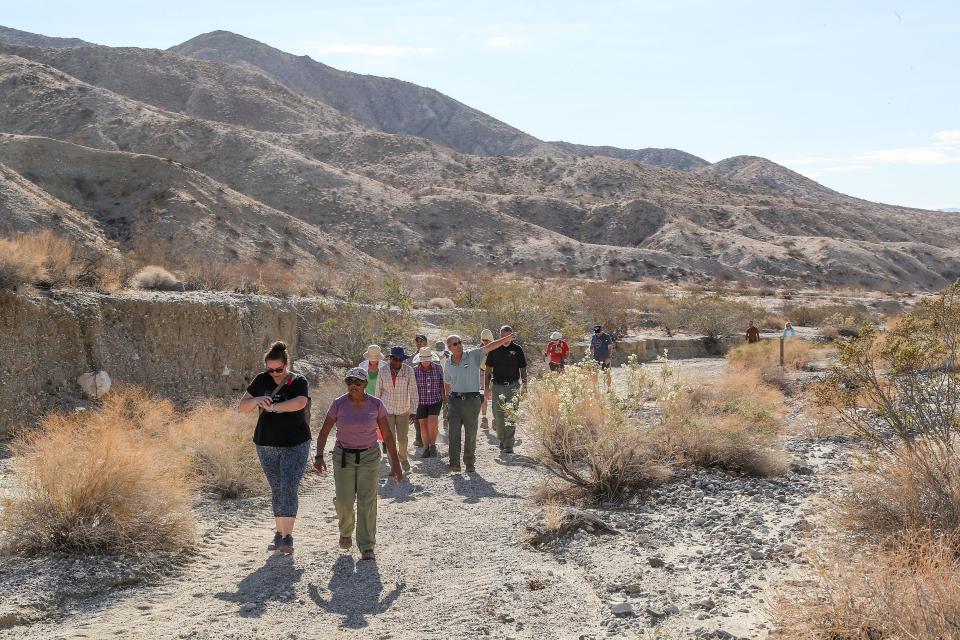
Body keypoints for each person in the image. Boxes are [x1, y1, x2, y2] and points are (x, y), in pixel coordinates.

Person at [314, 367, 402, 561]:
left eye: (357, 382)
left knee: (367, 501)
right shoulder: (338, 404)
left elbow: (387, 435)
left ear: (365, 385)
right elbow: (324, 431)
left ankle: (367, 545)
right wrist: (319, 456)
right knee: (344, 500)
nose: (353, 385)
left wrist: (396, 464)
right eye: (349, 382)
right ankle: (345, 531)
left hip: (369, 456)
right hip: (343, 456)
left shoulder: (376, 404)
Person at [238, 341, 311, 555]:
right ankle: (279, 534)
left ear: (287, 365)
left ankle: (287, 536)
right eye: (270, 370)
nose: (275, 373)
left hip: (295, 443)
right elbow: (243, 407)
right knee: (277, 487)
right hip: (266, 442)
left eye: (279, 369)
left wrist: (275, 408)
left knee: (288, 485)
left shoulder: (298, 381)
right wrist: (259, 399)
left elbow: (300, 402)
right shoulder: (261, 380)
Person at [444, 330, 517, 473]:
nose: (459, 346)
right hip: (454, 401)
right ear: (449, 348)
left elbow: (490, 347)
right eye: (455, 344)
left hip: (472, 400)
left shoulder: (473, 355)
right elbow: (447, 382)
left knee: (471, 434)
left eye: (460, 343)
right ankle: (454, 464)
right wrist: (447, 400)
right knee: (453, 434)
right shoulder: (448, 363)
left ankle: (469, 464)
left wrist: (506, 338)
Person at [374, 346, 419, 473]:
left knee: (402, 439)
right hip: (386, 410)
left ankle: (403, 457)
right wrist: (377, 412)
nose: (398, 362)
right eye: (396, 359)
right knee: (390, 439)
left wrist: (414, 410)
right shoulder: (382, 371)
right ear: (391, 359)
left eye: (401, 360)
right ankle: (394, 465)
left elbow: (413, 391)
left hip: (403, 410)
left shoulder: (408, 371)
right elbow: (378, 392)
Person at [484, 325, 528, 454]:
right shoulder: (494, 348)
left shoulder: (517, 349)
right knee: (498, 415)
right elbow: (488, 370)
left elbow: (523, 369)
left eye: (508, 336)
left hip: (513, 386)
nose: (506, 339)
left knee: (511, 414)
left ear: (512, 336)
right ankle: (502, 439)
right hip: (497, 386)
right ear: (500, 336)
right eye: (503, 336)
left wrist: (525, 386)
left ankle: (509, 444)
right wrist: (486, 388)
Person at [412, 346, 445, 458]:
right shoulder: (414, 370)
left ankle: (433, 444)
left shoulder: (438, 368)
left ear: (431, 358)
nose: (425, 361)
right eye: (423, 359)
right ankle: (426, 448)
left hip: (435, 399)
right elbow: (412, 388)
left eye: (427, 358)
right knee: (423, 424)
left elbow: (443, 383)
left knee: (433, 422)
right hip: (420, 401)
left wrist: (445, 398)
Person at [359, 345, 385, 450]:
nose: (373, 361)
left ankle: (384, 441)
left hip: (382, 397)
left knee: (381, 421)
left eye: (375, 359)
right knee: (368, 421)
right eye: (372, 358)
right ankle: (370, 443)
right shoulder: (362, 366)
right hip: (366, 397)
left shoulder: (384, 366)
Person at [408, 335, 429, 447]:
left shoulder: (432, 355)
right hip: (416, 389)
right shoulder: (412, 357)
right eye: (417, 341)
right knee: (417, 414)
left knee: (429, 415)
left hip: (430, 389)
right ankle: (419, 438)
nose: (419, 343)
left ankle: (429, 437)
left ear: (426, 342)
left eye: (421, 341)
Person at [478, 328, 495, 430]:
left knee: (494, 397)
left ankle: (495, 419)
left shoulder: (496, 348)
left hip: (494, 374)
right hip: (482, 373)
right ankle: (484, 419)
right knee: (483, 396)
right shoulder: (479, 350)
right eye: (483, 340)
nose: (485, 342)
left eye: (487, 340)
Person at [434, 340, 451, 427]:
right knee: (436, 403)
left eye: (441, 349)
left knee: (446, 401)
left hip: (447, 383)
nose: (439, 351)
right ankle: (434, 422)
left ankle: (445, 420)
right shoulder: (432, 359)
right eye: (438, 349)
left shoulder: (450, 358)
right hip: (435, 384)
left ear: (444, 349)